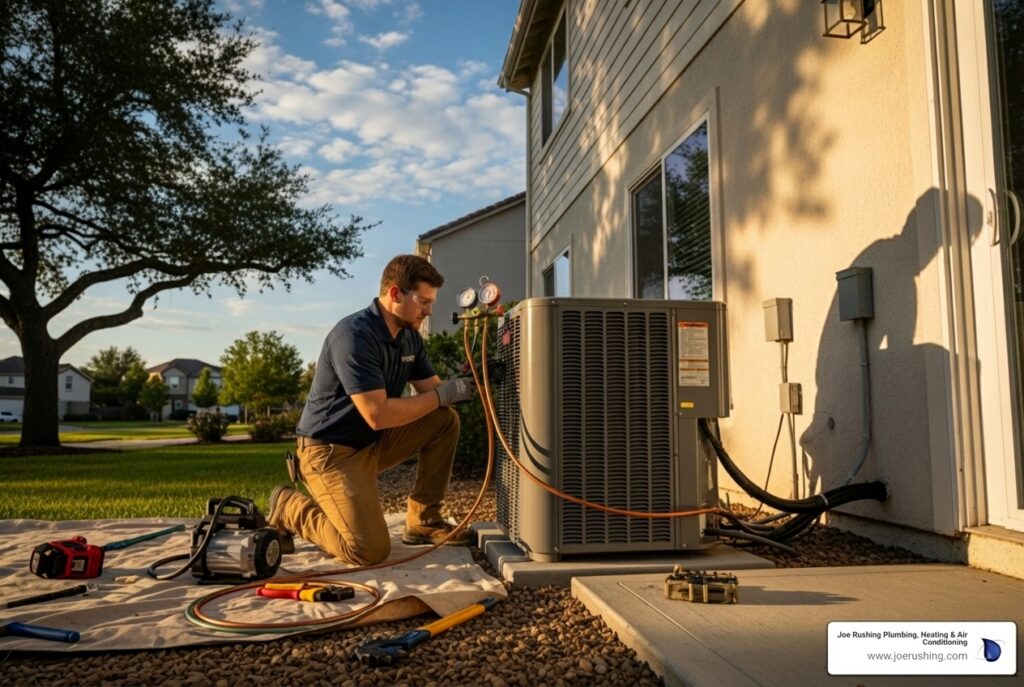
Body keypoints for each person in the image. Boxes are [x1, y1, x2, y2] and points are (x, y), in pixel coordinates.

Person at [267, 255, 476, 565]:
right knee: (368, 550)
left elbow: (434, 394)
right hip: (329, 453)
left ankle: (423, 520)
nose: (429, 310)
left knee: (445, 420)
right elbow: (377, 415)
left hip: (371, 444)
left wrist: (471, 383)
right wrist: (442, 395)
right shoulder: (354, 336)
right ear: (395, 294)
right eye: (423, 301)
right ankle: (288, 506)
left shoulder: (409, 339)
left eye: (431, 302)